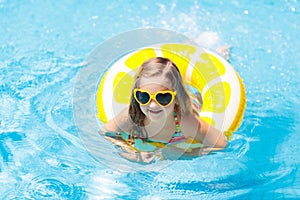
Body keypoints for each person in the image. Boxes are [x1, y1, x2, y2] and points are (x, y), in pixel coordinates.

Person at [101, 57, 228, 163]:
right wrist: (132, 152)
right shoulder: (131, 116)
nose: (153, 105)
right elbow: (105, 133)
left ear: (176, 98)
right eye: (144, 96)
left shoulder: (185, 122)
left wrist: (184, 154)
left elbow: (221, 144)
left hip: (192, 99)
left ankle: (221, 53)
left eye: (163, 97)